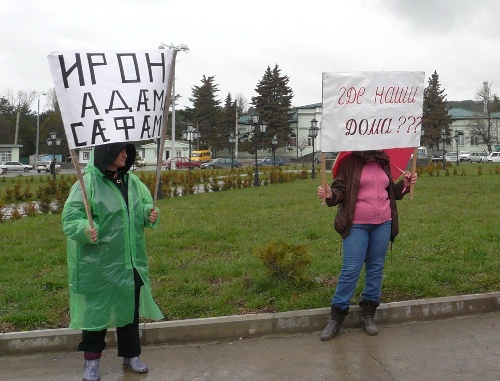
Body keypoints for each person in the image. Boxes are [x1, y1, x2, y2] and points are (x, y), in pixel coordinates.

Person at [62, 142, 163, 381]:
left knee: (129, 311)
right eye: (121, 150)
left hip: (130, 261)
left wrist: (148, 213)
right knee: (96, 314)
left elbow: (140, 208)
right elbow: (70, 219)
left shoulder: (132, 182)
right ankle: (91, 363)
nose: (126, 155)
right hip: (98, 265)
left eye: (127, 151)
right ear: (107, 153)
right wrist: (84, 229)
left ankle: (131, 355)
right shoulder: (87, 185)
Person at [317, 150, 417, 340]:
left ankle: (369, 314)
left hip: (383, 223)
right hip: (357, 224)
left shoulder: (383, 161)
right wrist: (331, 194)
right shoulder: (349, 162)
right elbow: (340, 191)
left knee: (375, 268)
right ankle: (336, 318)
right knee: (351, 269)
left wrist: (405, 185)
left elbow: (390, 192)